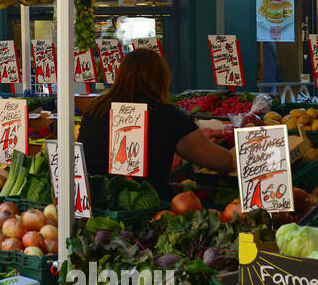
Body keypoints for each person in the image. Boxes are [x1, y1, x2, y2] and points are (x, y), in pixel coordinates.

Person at [77, 48, 234, 201]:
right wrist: (230, 156)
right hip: (148, 208)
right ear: (161, 80)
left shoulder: (94, 110)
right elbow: (221, 161)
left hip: (93, 204)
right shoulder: (166, 116)